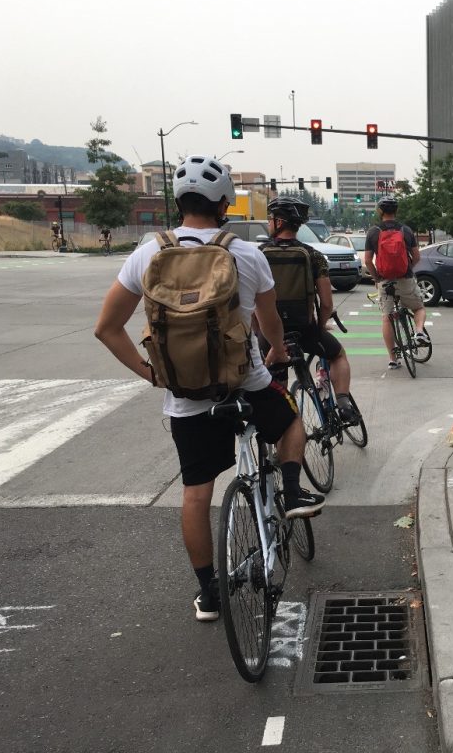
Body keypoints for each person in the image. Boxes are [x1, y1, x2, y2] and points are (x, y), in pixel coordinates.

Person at [94, 154, 324, 624]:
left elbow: (106, 328)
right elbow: (269, 320)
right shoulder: (244, 252)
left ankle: (208, 593)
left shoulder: (148, 253)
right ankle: (294, 492)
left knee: (196, 493)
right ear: (223, 204)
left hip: (186, 397)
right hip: (247, 383)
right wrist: (277, 350)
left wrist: (150, 372)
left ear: (179, 202)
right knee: (292, 423)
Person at [260, 195, 358, 422]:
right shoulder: (313, 255)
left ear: (279, 222)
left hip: (270, 335)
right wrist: (320, 326)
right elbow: (326, 303)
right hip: (304, 329)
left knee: (276, 377)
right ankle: (343, 402)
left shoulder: (259, 254)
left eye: (270, 218)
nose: (268, 223)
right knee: (337, 354)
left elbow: (250, 304)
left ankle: (280, 425)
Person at [364, 195, 429, 370]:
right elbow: (417, 256)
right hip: (405, 278)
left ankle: (393, 359)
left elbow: (368, 260)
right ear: (396, 211)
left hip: (385, 281)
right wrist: (408, 267)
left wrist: (377, 278)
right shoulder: (406, 230)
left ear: (380, 212)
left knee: (387, 318)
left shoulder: (373, 231)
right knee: (418, 308)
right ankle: (419, 332)